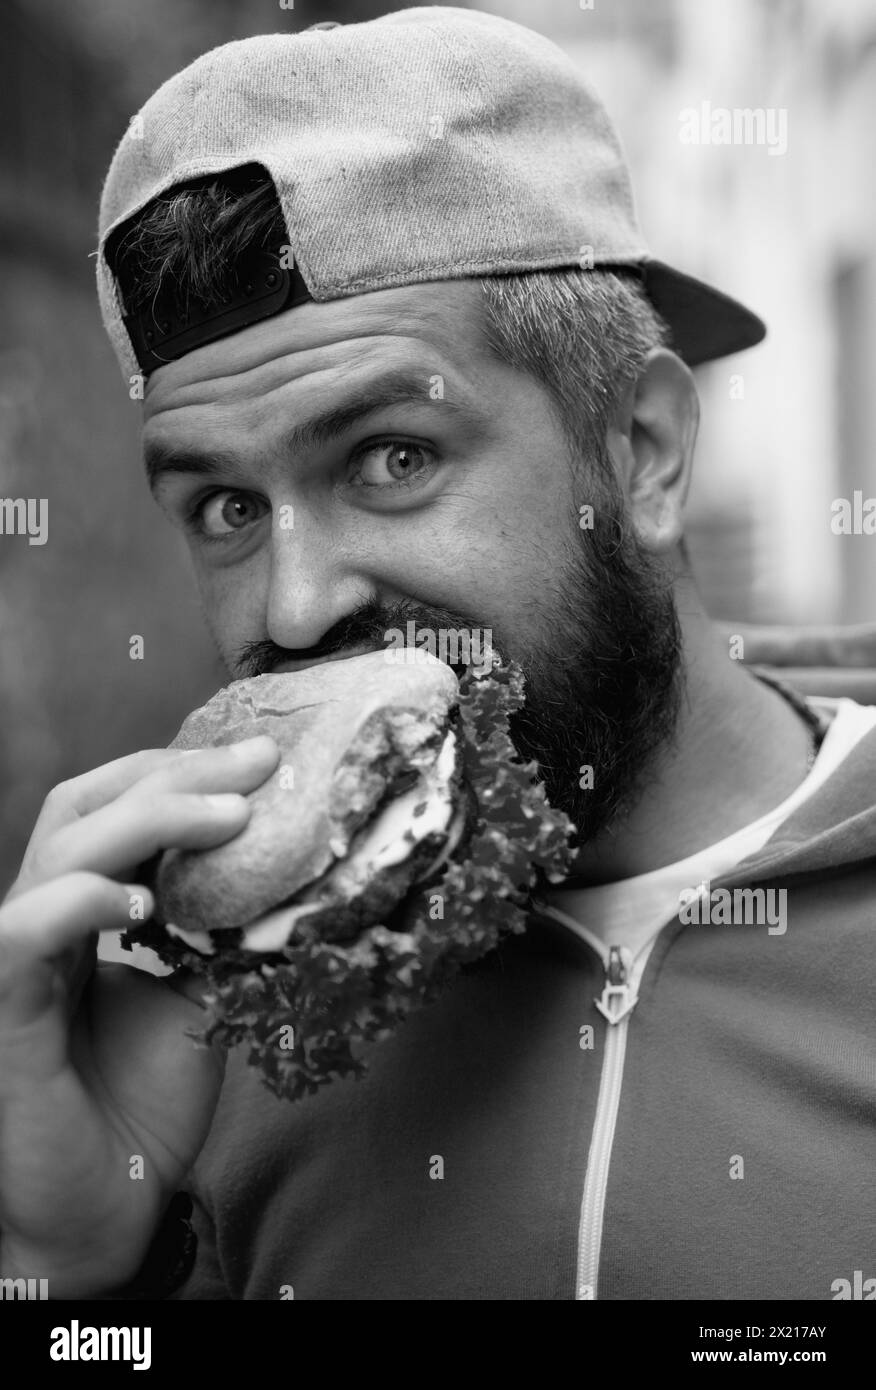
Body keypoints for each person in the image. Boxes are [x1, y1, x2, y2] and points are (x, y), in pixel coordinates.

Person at [1, 8, 873, 1301]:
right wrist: (72, 1278)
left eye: (392, 457)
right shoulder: (184, 1037)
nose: (291, 610)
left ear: (642, 451)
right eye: (227, 507)